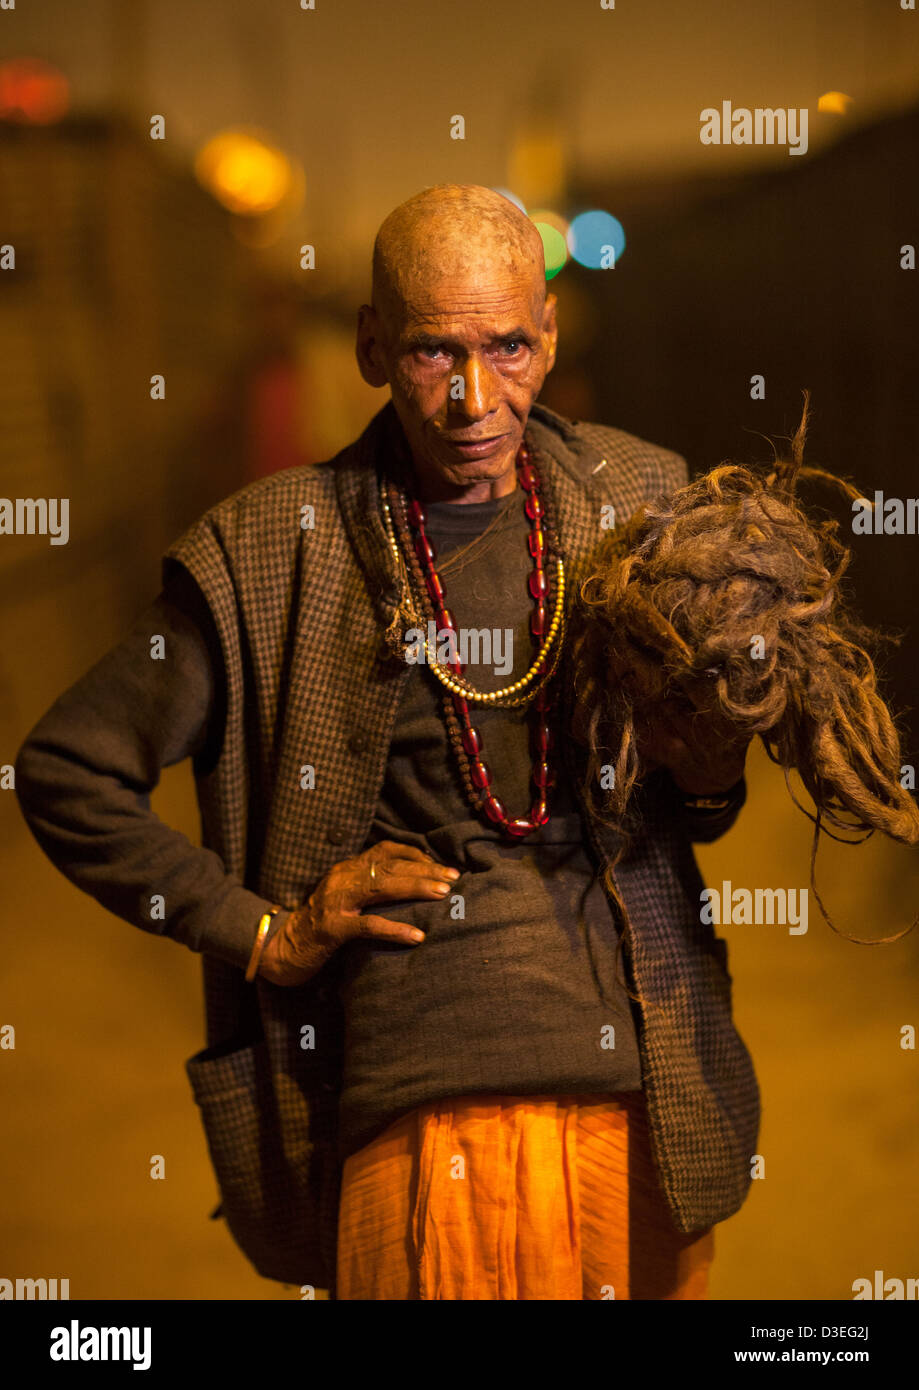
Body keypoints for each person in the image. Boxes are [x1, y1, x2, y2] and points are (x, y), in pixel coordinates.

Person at [14, 182, 757, 1301]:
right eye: (430, 353)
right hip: (414, 1113)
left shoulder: (644, 506)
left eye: (507, 345)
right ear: (370, 347)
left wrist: (707, 759)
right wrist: (264, 930)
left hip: (641, 1097)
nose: (473, 397)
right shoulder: (272, 550)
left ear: (549, 339)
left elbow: (705, 805)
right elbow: (65, 768)